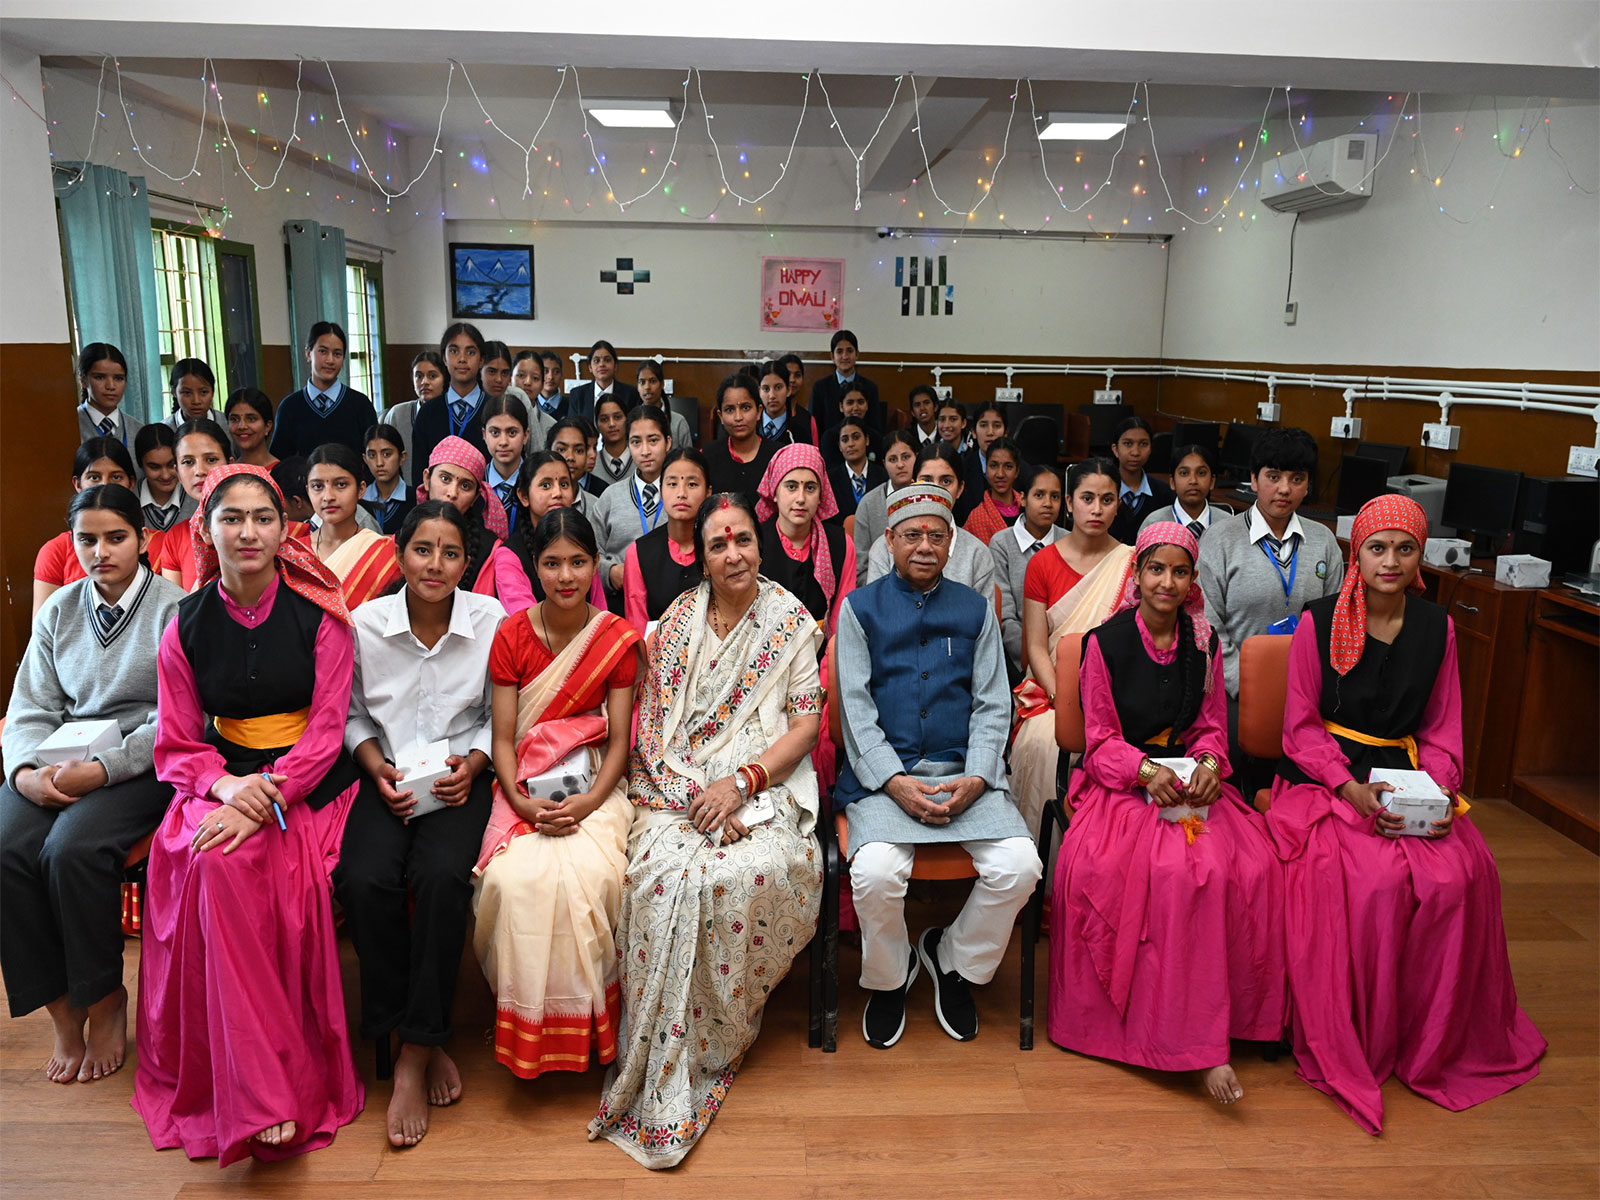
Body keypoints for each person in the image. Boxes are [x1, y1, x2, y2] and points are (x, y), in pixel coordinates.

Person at [1266, 495, 1545, 1134]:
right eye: (1376, 548)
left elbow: (1445, 727)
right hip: (1325, 777)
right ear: (1354, 555)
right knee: (1373, 880)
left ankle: (1433, 1040)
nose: (1389, 561)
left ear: (1420, 557)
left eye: (1404, 548)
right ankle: (1367, 1036)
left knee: (1460, 876)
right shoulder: (1317, 621)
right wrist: (1348, 788)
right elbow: (1301, 729)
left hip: (1407, 777)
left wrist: (1439, 793)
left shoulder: (1437, 627)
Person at [132, 464, 364, 1164]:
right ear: (207, 528)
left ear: (285, 526)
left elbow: (327, 734)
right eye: (231, 518)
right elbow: (176, 740)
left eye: (263, 517)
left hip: (307, 785)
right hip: (223, 783)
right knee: (210, 862)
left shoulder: (321, 616)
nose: (249, 531)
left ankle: (264, 1092)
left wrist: (269, 795)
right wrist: (230, 790)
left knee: (241, 870)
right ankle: (254, 1091)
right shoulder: (185, 624)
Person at [588, 493, 822, 1168]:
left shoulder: (791, 622)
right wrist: (699, 793)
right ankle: (664, 1053)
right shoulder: (677, 623)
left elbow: (804, 725)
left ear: (760, 543)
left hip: (765, 782)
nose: (733, 554)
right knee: (660, 881)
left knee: (746, 871)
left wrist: (742, 783)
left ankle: (715, 1040)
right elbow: (653, 731)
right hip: (678, 784)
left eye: (743, 540)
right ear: (702, 554)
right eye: (718, 544)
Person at [1047, 522, 1287, 1105]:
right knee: (1178, 874)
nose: (1167, 582)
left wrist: (1206, 760)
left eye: (1180, 572)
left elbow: (1209, 724)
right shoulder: (1104, 643)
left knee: (1254, 869)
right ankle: (1189, 1044)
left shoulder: (1203, 641)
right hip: (1123, 787)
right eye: (1157, 569)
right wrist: (1148, 774)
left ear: (1192, 581)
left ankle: (1222, 1021)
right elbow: (1099, 741)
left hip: (1189, 787)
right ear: (1138, 575)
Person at [835, 482, 1042, 1049]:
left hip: (963, 775)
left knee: (1021, 865)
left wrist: (978, 776)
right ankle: (890, 974)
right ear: (889, 541)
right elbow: (853, 706)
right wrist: (893, 782)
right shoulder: (859, 610)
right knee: (876, 873)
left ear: (952, 543)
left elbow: (994, 702)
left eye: (936, 535)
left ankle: (953, 961)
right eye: (911, 535)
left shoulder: (975, 608)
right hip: (886, 779)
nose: (924, 545)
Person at [334, 500, 505, 1148]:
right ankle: (403, 1023)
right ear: (400, 554)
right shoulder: (364, 625)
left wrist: (477, 763)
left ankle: (417, 1047)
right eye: (423, 550)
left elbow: (499, 711)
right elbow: (351, 715)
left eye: (451, 552)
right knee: (365, 880)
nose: (436, 564)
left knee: (440, 879)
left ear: (468, 560)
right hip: (387, 776)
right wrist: (375, 767)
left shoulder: (490, 619)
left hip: (460, 781)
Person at [3, 484, 184, 1084]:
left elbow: (178, 715)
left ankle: (104, 996)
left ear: (142, 539)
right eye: (87, 540)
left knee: (72, 849)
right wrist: (27, 773)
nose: (100, 551)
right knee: (5, 844)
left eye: (115, 538)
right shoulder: (60, 609)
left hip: (140, 763)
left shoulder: (174, 608)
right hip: (57, 759)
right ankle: (60, 1006)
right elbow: (30, 705)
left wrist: (104, 769)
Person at [473, 508, 641, 1087]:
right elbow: (500, 737)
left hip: (596, 783)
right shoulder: (512, 634)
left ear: (596, 565)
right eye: (551, 563)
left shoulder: (614, 638)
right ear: (534, 567)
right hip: (522, 784)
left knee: (593, 879)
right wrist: (521, 806)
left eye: (577, 562)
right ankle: (530, 1027)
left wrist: (591, 802)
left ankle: (599, 1030)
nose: (565, 575)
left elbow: (620, 741)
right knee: (513, 881)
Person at [1197, 426, 1343, 793]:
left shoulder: (1323, 542)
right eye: (1273, 477)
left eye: (1297, 479)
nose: (1284, 489)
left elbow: (1335, 621)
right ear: (1253, 479)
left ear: (1308, 485)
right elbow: (1208, 624)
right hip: (1236, 688)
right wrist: (1244, 684)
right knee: (1237, 768)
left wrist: (1311, 689)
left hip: (1309, 690)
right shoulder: (1220, 539)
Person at [1008, 458, 1135, 835]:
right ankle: (1046, 871)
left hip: (1116, 694)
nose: (1096, 509)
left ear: (1118, 504)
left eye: (1107, 499)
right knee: (1048, 742)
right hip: (1053, 693)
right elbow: (1034, 646)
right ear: (1069, 502)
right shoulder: (1043, 564)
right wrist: (1065, 697)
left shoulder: (1130, 562)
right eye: (1087, 498)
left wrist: (1099, 701)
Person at [864, 444, 996, 600]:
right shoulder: (884, 549)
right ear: (913, 484)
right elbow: (876, 613)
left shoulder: (977, 554)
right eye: (926, 480)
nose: (936, 490)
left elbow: (983, 620)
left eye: (946, 481)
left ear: (960, 489)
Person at [754, 443, 855, 637]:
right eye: (791, 487)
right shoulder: (755, 542)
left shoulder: (841, 544)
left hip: (823, 656)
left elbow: (841, 621)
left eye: (810, 488)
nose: (801, 498)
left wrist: (827, 666)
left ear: (820, 495)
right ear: (774, 491)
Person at [490, 451, 608, 612]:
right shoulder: (509, 554)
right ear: (524, 496)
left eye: (564, 484)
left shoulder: (583, 542)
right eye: (546, 485)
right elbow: (523, 619)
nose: (558, 493)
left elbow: (600, 613)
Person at [33, 438, 139, 618]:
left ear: (131, 482)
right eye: (94, 477)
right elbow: (43, 630)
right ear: (77, 484)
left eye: (116, 477)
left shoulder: (156, 542)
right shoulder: (55, 551)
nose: (105, 486)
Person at [591, 405, 676, 609]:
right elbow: (589, 553)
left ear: (668, 442)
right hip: (620, 601)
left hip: (675, 602)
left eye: (653, 440)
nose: (645, 451)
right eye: (636, 442)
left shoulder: (681, 495)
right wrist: (610, 573)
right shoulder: (610, 497)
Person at [621, 447, 708, 637]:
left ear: (708, 492)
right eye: (672, 484)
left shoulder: (718, 547)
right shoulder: (639, 552)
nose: (681, 493)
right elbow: (637, 626)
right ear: (660, 490)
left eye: (692, 484)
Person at [991, 463, 1062, 685]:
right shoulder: (1002, 543)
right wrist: (1035, 661)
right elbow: (1006, 618)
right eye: (1039, 495)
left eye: (1055, 496)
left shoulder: (1069, 541)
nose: (1048, 504)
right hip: (1018, 660)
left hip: (1064, 655)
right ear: (1022, 499)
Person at [306, 443, 401, 608]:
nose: (328, 496)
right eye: (317, 486)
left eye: (341, 484)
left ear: (361, 489)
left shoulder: (383, 553)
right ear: (308, 490)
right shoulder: (295, 553)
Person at [270, 323, 377, 460]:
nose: (330, 360)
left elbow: (373, 457)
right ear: (308, 354)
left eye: (337, 354)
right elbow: (281, 463)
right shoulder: (290, 407)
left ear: (343, 359)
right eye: (323, 351)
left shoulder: (361, 405)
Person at [418, 435, 508, 598]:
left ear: (475, 497)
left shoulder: (490, 551)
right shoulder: (403, 537)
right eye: (445, 479)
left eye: (465, 486)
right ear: (427, 479)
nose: (452, 493)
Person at [156, 420, 234, 592]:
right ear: (177, 471)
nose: (200, 470)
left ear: (230, 464)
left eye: (211, 460)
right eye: (188, 462)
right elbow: (177, 611)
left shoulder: (254, 527)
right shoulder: (175, 538)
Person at [412, 323, 489, 470]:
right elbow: (419, 473)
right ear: (444, 358)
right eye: (454, 351)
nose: (462, 359)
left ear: (481, 360)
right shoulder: (427, 413)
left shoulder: (494, 409)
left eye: (471, 352)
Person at [852, 429, 919, 584]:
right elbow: (860, 567)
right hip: (879, 588)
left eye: (906, 457)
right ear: (884, 464)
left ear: (917, 456)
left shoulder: (929, 498)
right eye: (893, 459)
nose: (900, 464)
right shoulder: (869, 504)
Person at [703, 373, 776, 501]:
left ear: (759, 412)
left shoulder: (777, 457)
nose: (738, 417)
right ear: (721, 416)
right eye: (730, 410)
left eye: (746, 408)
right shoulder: (708, 456)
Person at [1107, 417, 1176, 544]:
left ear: (1151, 449)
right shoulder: (1103, 490)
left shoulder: (1164, 493)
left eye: (1143, 444)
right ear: (1115, 449)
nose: (1136, 452)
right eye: (1128, 444)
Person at [1141, 443, 1230, 538]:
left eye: (1201, 473)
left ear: (1212, 481)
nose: (1193, 481)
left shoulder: (1228, 524)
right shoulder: (1154, 524)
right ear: (1172, 482)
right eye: (1184, 473)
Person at [388, 351, 447, 487]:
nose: (424, 382)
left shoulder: (452, 414)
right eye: (419, 376)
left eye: (432, 376)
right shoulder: (398, 414)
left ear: (444, 378)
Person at [809, 328, 882, 433]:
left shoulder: (870, 387)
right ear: (832, 356)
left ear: (857, 354)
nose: (845, 356)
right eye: (839, 351)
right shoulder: (820, 387)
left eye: (849, 351)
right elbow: (815, 428)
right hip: (828, 446)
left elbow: (875, 427)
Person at [481, 393, 533, 533]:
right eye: (495, 433)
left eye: (512, 433)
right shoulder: (475, 483)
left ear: (525, 436)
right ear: (484, 435)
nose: (503, 442)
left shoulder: (535, 483)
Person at [76, 343, 143, 452]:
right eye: (100, 377)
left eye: (118, 378)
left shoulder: (138, 430)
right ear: (83, 380)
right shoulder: (69, 428)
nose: (111, 386)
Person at [134, 423, 196, 533]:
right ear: (141, 465)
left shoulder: (196, 495)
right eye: (154, 467)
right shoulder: (131, 498)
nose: (165, 475)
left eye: (171, 464)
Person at [962, 435, 1023, 545]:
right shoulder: (976, 518)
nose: (1000, 474)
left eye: (1008, 466)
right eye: (993, 466)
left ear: (1017, 471)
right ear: (986, 468)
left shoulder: (1028, 509)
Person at [568, 340, 641, 422]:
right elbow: (573, 428)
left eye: (607, 360)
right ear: (590, 367)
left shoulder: (631, 394)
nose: (602, 364)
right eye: (596, 361)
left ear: (615, 366)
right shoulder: (577, 395)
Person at [828, 417, 886, 519]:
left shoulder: (883, 476)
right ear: (840, 446)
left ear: (867, 440)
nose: (850, 444)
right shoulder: (830, 480)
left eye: (856, 437)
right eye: (845, 440)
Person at [360, 423, 415, 534]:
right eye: (372, 455)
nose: (379, 463)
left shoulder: (416, 500)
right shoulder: (358, 501)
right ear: (365, 459)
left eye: (387, 454)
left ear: (402, 457)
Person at [633, 358, 695, 450]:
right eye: (642, 382)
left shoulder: (678, 422)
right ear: (637, 387)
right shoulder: (632, 421)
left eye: (653, 381)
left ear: (662, 384)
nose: (647, 387)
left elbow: (689, 459)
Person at [819, 382, 882, 469]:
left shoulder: (876, 437)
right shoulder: (829, 437)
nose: (856, 408)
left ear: (867, 405)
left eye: (860, 402)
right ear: (841, 406)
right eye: (850, 403)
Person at [756, 358, 816, 446]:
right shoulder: (751, 428)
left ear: (788, 390)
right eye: (766, 389)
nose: (772, 395)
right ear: (759, 391)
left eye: (778, 387)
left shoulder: (800, 433)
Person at [511, 349, 557, 450]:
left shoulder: (551, 425)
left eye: (535, 378)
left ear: (542, 385)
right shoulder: (496, 417)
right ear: (510, 379)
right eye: (521, 375)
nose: (527, 382)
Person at [163, 359, 224, 432]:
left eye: (204, 392)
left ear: (213, 391)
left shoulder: (228, 426)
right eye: (187, 393)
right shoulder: (164, 431)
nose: (196, 401)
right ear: (174, 393)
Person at [225, 388, 278, 469]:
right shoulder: (226, 474)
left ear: (268, 426)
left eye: (251, 419)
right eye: (234, 419)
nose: (242, 426)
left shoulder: (283, 473)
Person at [590, 394, 633, 488]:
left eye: (617, 417)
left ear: (627, 420)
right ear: (597, 425)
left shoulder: (641, 460)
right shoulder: (591, 463)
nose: (612, 424)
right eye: (604, 419)